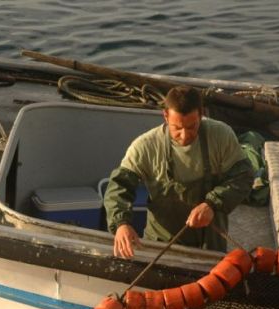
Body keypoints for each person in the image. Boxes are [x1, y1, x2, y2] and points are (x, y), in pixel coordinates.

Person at [104, 86, 254, 258]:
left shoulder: (221, 136)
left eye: (191, 127)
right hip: (161, 247)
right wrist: (121, 223)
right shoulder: (145, 146)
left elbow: (244, 176)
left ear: (201, 114)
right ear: (165, 116)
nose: (184, 136)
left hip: (211, 244)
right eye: (177, 128)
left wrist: (212, 204)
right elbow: (118, 186)